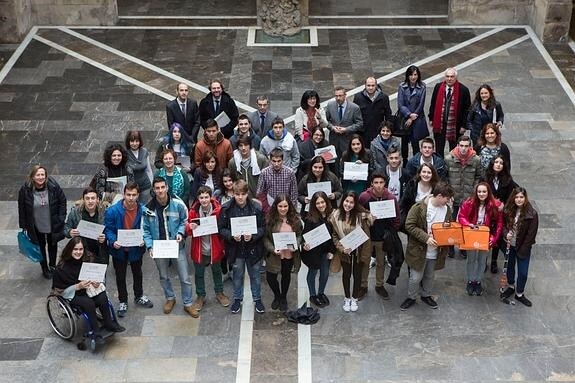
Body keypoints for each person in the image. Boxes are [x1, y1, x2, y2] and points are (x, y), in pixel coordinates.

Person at [144, 177, 196, 317]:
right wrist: (149, 247)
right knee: (163, 276)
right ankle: (170, 298)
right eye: (157, 188)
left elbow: (185, 220)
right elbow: (146, 230)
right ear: (154, 190)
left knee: (185, 277)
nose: (160, 190)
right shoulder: (148, 209)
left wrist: (181, 233)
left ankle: (188, 303)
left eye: (162, 187)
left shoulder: (178, 204)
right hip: (159, 248)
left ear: (167, 187)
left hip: (176, 246)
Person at [52, 237, 125, 334]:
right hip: (72, 294)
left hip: (89, 289)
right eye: (75, 249)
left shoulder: (89, 258)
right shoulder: (61, 268)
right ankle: (95, 330)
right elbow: (60, 291)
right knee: (88, 303)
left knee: (102, 296)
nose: (78, 252)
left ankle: (109, 323)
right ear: (70, 250)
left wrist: (98, 282)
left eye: (81, 249)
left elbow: (98, 274)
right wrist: (77, 286)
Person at [400, 182, 454, 311]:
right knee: (415, 277)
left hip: (436, 250)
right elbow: (409, 225)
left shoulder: (447, 210)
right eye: (447, 198)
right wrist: (426, 238)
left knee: (430, 275)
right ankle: (411, 297)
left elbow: (449, 226)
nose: (449, 201)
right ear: (440, 196)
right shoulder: (418, 207)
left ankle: (426, 294)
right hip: (419, 250)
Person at [104, 182, 153, 317]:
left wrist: (144, 239)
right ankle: (123, 301)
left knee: (138, 274)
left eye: (134, 195)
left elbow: (147, 228)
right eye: (128, 195)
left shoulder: (143, 210)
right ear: (124, 195)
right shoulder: (112, 211)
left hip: (136, 249)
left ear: (138, 196)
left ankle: (139, 296)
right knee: (120, 276)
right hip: (119, 250)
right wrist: (113, 241)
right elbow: (108, 229)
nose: (131, 198)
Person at [219, 180, 266, 314]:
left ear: (247, 194)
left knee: (255, 276)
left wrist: (253, 235)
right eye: (237, 194)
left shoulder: (256, 208)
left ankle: (257, 299)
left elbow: (263, 227)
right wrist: (232, 236)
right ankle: (237, 299)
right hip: (236, 250)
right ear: (233, 194)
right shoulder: (226, 209)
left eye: (243, 194)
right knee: (237, 276)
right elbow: (221, 229)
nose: (240, 197)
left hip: (253, 249)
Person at [186, 186, 231, 312]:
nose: (204, 200)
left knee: (217, 271)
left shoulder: (219, 210)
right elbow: (187, 230)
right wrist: (190, 227)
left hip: (214, 248)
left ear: (210, 197)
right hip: (199, 249)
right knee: (199, 274)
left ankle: (219, 293)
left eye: (206, 197)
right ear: (198, 198)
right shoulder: (193, 212)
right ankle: (200, 296)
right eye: (201, 197)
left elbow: (224, 226)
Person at [328, 191, 374, 312]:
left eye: (351, 202)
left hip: (359, 250)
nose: (348, 204)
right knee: (346, 274)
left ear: (355, 204)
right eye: (346, 201)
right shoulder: (335, 216)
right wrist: (342, 248)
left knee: (357, 274)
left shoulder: (361, 216)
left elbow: (365, 235)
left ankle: (354, 298)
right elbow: (334, 236)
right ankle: (347, 297)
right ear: (342, 201)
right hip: (345, 251)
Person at [18, 165, 67, 279]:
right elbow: (21, 207)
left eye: (42, 175)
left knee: (53, 244)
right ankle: (44, 267)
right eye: (37, 175)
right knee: (40, 246)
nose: (40, 177)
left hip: (52, 222)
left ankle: (53, 265)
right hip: (36, 224)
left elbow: (62, 201)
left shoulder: (53, 186)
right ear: (32, 177)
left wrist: (61, 218)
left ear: (46, 176)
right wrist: (24, 224)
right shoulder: (25, 189)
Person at [358, 171, 400, 300]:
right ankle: (363, 286)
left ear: (385, 184)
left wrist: (392, 231)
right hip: (367, 236)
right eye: (376, 182)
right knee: (364, 262)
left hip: (383, 238)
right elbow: (357, 214)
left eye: (381, 182)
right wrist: (367, 217)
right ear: (371, 184)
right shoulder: (364, 197)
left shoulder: (391, 198)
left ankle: (379, 285)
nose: (379, 185)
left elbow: (397, 218)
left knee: (381, 263)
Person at [457, 182, 503, 296]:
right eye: (479, 191)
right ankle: (470, 280)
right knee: (471, 259)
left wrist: (494, 238)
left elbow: (499, 223)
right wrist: (469, 224)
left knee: (482, 260)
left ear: (488, 192)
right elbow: (461, 216)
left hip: (486, 236)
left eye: (484, 191)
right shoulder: (468, 203)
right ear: (476, 192)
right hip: (472, 234)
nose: (481, 194)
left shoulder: (495, 205)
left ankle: (478, 281)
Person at [263, 194, 303, 311]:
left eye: (285, 206)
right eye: (280, 206)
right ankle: (277, 295)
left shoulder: (295, 220)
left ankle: (283, 297)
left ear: (289, 206)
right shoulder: (269, 219)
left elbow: (300, 235)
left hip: (289, 255)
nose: (283, 209)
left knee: (286, 276)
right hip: (275, 255)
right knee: (271, 278)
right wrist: (272, 249)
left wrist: (296, 244)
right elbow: (265, 238)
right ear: (276, 206)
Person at [500, 187, 539, 307]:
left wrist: (522, 251)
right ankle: (511, 286)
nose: (519, 199)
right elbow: (504, 226)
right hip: (509, 245)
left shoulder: (532, 214)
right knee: (510, 268)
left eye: (521, 197)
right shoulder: (508, 210)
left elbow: (530, 236)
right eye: (516, 197)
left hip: (523, 248)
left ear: (525, 198)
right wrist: (506, 233)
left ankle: (519, 293)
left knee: (523, 273)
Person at [445, 135, 483, 258]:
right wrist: (448, 194)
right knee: (451, 223)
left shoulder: (476, 160)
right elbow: (445, 178)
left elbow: (479, 176)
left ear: (470, 147)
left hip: (468, 198)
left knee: (466, 224)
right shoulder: (449, 159)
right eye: (461, 145)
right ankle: (450, 246)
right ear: (457, 145)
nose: (463, 149)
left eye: (466, 146)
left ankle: (463, 247)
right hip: (453, 197)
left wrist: (474, 191)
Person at [481, 155, 518, 273]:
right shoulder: (485, 177)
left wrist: (505, 205)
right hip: (487, 211)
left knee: (497, 236)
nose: (498, 164)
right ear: (492, 164)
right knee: (485, 234)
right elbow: (479, 191)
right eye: (496, 162)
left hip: (500, 214)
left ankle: (494, 261)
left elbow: (516, 191)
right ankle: (484, 260)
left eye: (501, 163)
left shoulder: (507, 179)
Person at [302, 191, 335, 308]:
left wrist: (332, 251)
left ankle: (321, 292)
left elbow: (333, 236)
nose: (321, 205)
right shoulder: (310, 219)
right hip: (313, 253)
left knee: (325, 273)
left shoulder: (332, 216)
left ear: (326, 202)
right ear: (314, 205)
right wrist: (305, 244)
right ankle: (313, 294)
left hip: (326, 251)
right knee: (312, 272)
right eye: (318, 203)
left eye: (323, 202)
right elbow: (304, 236)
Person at [428, 67, 471, 157]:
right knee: (439, 147)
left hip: (455, 125)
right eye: (447, 76)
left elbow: (467, 110)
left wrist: (464, 125)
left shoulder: (463, 90)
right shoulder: (438, 87)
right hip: (440, 124)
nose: (449, 79)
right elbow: (433, 103)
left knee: (454, 149)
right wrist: (431, 118)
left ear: (456, 77)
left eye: (452, 76)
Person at [65, 187, 108, 265]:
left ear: (97, 199)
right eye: (87, 198)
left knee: (99, 274)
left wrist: (105, 237)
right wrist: (69, 232)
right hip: (81, 252)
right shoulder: (75, 212)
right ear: (83, 200)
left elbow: (110, 230)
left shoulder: (105, 213)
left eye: (93, 198)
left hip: (99, 251)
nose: (90, 201)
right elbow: (66, 228)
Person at [397, 65, 428, 164]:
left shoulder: (422, 87)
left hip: (416, 119)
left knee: (415, 143)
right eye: (411, 75)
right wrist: (409, 115)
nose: (413, 77)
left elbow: (421, 104)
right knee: (404, 142)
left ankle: (416, 162)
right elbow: (400, 104)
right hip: (405, 118)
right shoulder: (402, 86)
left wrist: (413, 117)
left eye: (415, 74)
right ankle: (405, 162)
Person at [255, 148, 298, 214]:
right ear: (270, 160)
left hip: (286, 207)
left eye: (279, 161)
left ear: (283, 160)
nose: (276, 164)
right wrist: (266, 208)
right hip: (270, 207)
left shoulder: (290, 173)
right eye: (274, 161)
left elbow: (293, 194)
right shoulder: (264, 172)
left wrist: (292, 210)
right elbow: (260, 193)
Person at [400, 163, 440, 231]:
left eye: (429, 172)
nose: (426, 175)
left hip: (430, 221)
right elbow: (404, 203)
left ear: (432, 174)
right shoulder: (412, 184)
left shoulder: (436, 188)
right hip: (413, 221)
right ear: (420, 173)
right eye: (424, 172)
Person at [326, 86, 363, 158]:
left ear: (345, 95)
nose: (338, 98)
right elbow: (326, 121)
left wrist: (346, 129)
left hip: (347, 140)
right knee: (335, 163)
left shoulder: (354, 108)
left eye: (340, 96)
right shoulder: (330, 105)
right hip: (334, 140)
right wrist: (332, 128)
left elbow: (360, 124)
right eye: (336, 96)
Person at [353, 76, 392, 145]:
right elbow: (354, 116)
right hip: (363, 133)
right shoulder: (358, 98)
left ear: (376, 86)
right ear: (365, 85)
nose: (370, 88)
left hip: (378, 133)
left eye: (373, 85)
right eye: (368, 85)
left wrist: (386, 131)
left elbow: (388, 115)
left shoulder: (384, 98)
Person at [125, 130, 154, 203]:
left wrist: (151, 183)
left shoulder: (144, 151)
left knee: (142, 207)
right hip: (131, 188)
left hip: (145, 186)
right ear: (128, 142)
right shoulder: (125, 154)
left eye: (136, 141)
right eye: (132, 141)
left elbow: (148, 170)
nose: (134, 144)